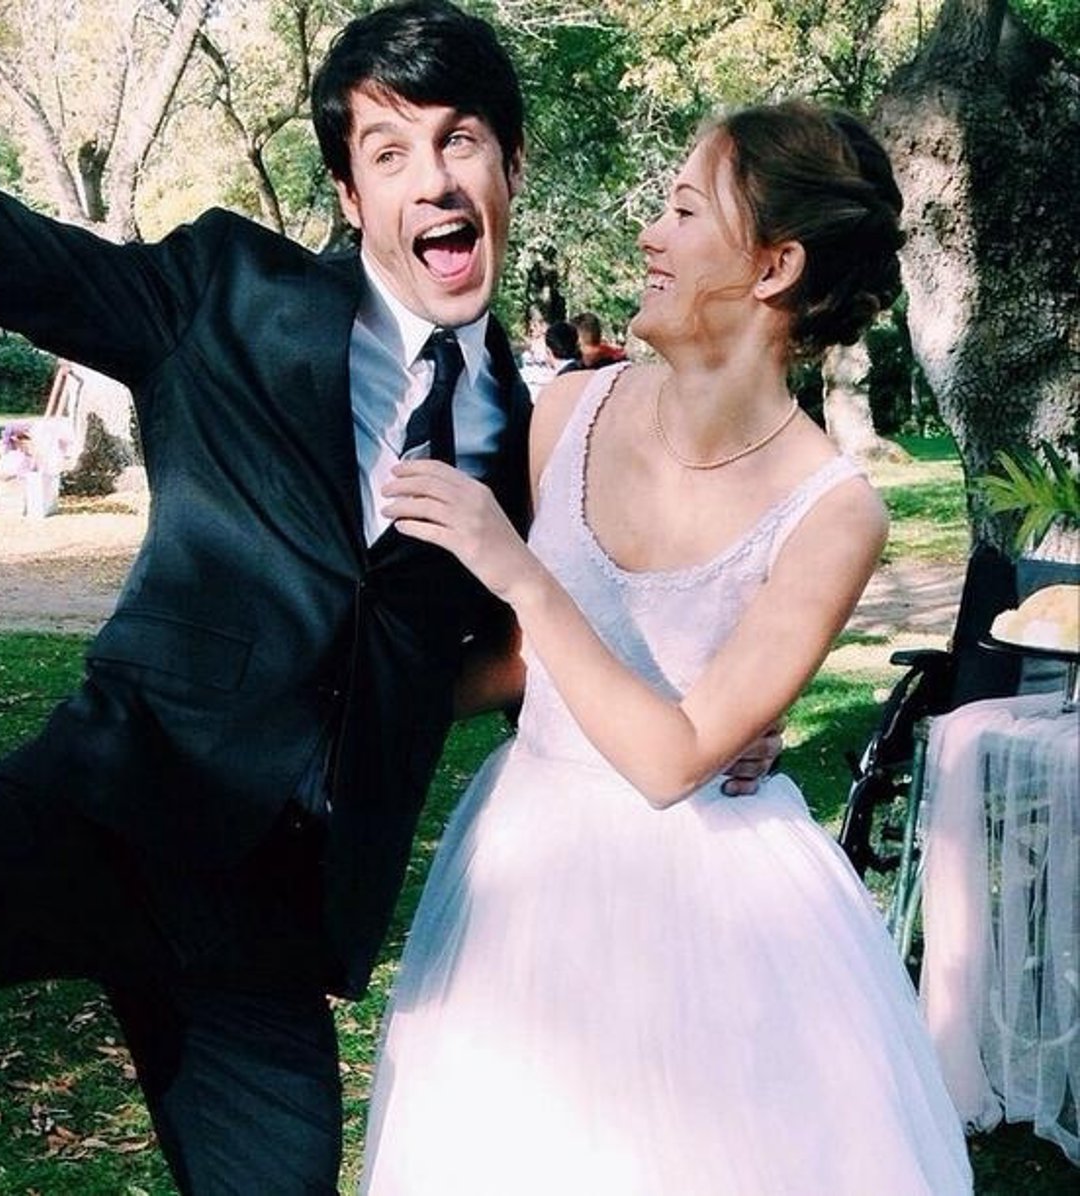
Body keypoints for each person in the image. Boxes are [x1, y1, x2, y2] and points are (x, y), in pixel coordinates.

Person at [0, 4, 777, 1193]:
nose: (433, 179)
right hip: (101, 808)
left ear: (511, 166)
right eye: (389, 153)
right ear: (353, 198)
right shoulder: (223, 293)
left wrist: (709, 709)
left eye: (460, 140)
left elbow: (527, 649)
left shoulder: (534, 434)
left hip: (267, 918)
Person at [365, 101, 973, 1194]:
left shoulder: (836, 512)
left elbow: (675, 758)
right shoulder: (568, 410)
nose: (651, 234)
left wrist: (515, 566)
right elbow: (528, 663)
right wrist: (329, 683)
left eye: (686, 211)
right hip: (526, 872)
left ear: (774, 266)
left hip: (717, 907)